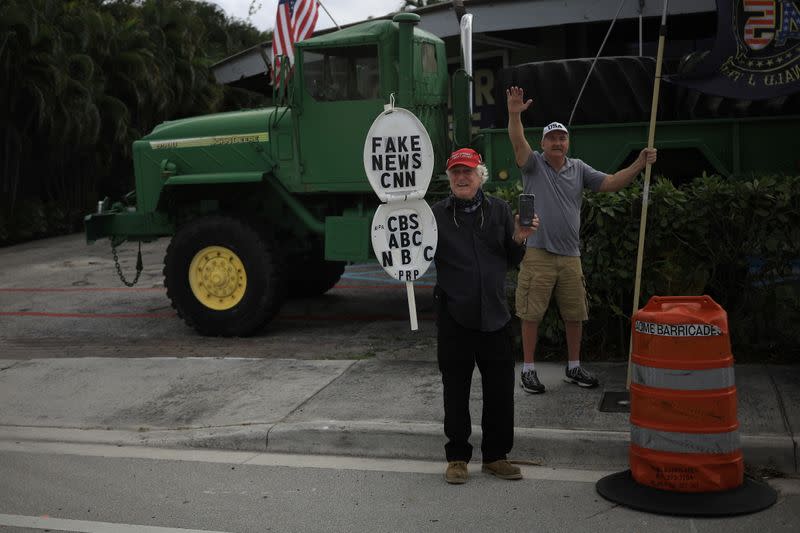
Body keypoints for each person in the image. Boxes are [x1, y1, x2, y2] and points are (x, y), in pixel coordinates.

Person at [506, 86, 657, 394]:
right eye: (552, 138)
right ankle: (529, 370)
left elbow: (612, 183)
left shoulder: (580, 169)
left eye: (562, 138)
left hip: (570, 256)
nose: (558, 142)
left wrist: (639, 163)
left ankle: (574, 367)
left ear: (568, 142)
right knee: (531, 313)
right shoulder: (533, 164)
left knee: (575, 314)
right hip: (537, 253)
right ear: (543, 143)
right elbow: (517, 141)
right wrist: (514, 114)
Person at [432, 147, 539, 485]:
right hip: (454, 313)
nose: (462, 178)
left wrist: (520, 239)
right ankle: (458, 458)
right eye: (456, 173)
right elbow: (416, 254)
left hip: (495, 314)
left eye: (468, 172)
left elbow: (511, 257)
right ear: (449, 178)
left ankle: (495, 456)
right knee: (456, 389)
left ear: (481, 176)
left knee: (500, 390)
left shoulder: (500, 210)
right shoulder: (434, 215)